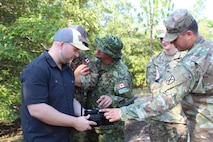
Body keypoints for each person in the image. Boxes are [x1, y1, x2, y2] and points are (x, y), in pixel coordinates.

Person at [101, 9, 213, 142]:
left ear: (189, 34)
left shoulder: (191, 63)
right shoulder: (209, 48)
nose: (171, 43)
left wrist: (122, 112)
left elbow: (164, 101)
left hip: (204, 131)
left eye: (174, 39)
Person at [20, 27, 96, 142]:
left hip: (65, 137)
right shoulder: (36, 69)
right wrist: (74, 122)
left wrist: (84, 114)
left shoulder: (67, 70)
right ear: (61, 44)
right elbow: (38, 109)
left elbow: (69, 98)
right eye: (75, 49)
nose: (77, 55)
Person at [75, 35, 133, 142]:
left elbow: (128, 100)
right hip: (90, 120)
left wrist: (112, 99)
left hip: (110, 128)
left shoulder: (122, 73)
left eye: (102, 48)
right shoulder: (94, 63)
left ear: (111, 54)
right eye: (98, 46)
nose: (98, 49)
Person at [146, 29, 188, 141]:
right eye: (161, 39)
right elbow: (151, 84)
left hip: (178, 118)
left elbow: (192, 88)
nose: (164, 41)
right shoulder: (154, 61)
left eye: (167, 38)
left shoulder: (186, 59)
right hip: (157, 116)